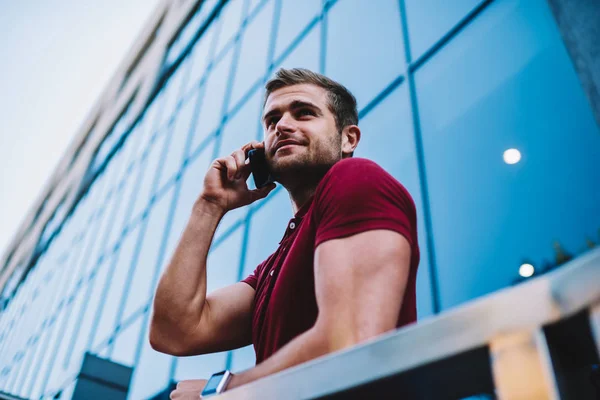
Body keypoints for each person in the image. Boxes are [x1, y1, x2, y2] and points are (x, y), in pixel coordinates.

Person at [149, 68, 420, 398]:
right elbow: (173, 331)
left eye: (304, 113)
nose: (283, 126)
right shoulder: (271, 270)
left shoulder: (357, 177)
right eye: (271, 120)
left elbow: (351, 339)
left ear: (349, 138)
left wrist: (222, 392)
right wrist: (209, 205)